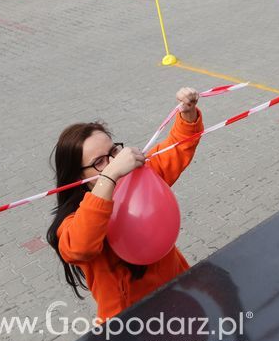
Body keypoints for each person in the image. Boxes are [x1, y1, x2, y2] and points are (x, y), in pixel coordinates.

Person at [46, 87, 203, 324]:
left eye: (114, 152)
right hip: (128, 327)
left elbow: (176, 148)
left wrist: (187, 116)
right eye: (100, 162)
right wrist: (109, 177)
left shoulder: (140, 179)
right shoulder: (73, 221)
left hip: (178, 294)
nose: (114, 162)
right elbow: (80, 247)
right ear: (78, 179)